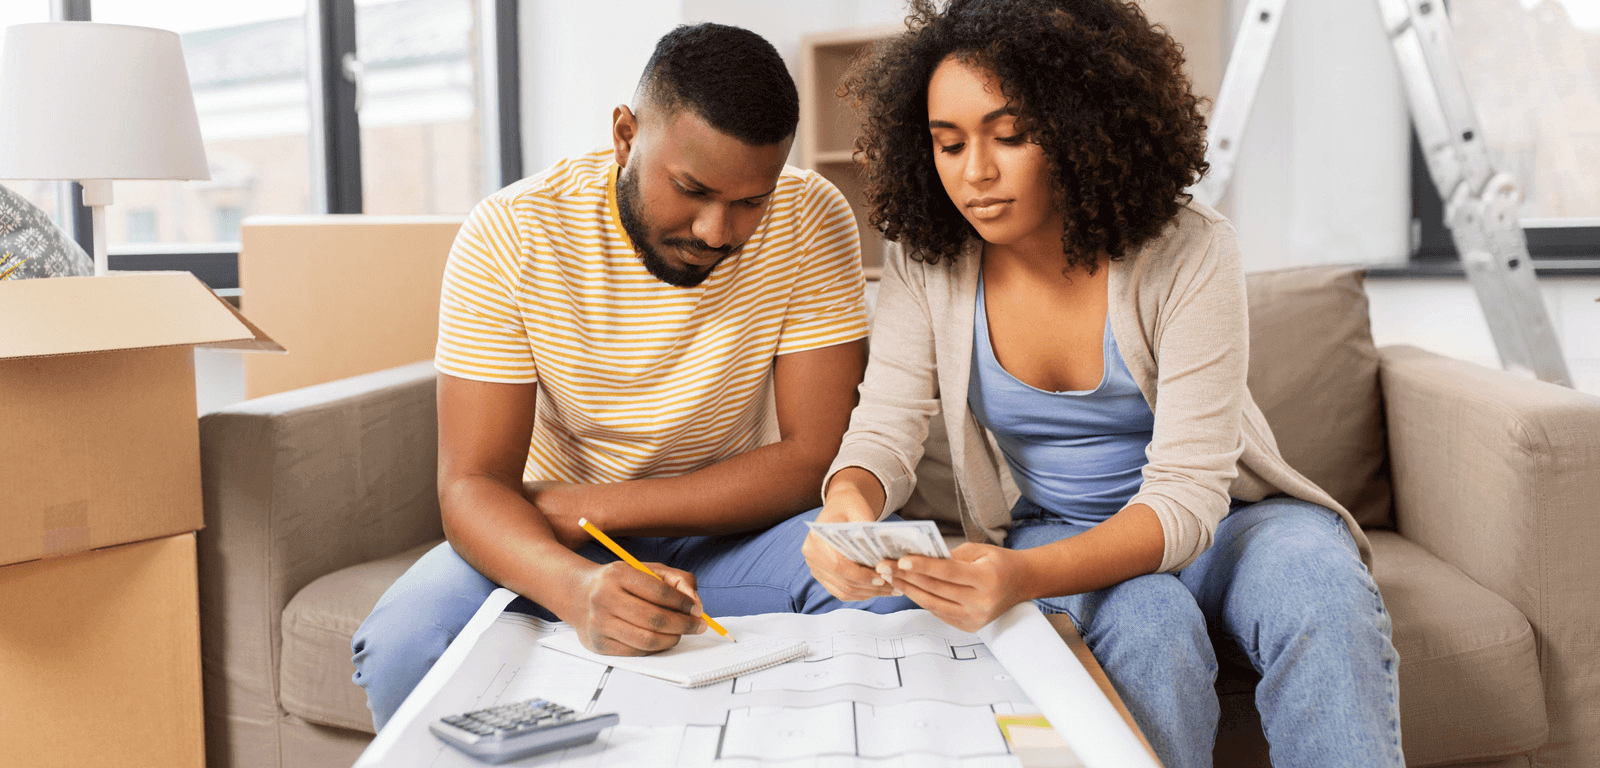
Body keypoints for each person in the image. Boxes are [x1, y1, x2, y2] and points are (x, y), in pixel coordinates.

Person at [801, 1, 1403, 766]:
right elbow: (885, 426)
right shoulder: (931, 261)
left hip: (1235, 522)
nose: (975, 172)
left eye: (1010, 135)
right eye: (948, 144)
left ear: (1081, 126)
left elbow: (1188, 500)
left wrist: (1022, 576)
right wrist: (845, 507)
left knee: (1323, 587)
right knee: (1150, 624)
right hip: (1064, 522)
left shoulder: (1189, 251)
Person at [352, 22, 912, 732]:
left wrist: (596, 507)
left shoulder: (810, 216)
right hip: (550, 537)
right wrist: (577, 584)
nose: (716, 230)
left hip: (726, 530)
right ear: (625, 135)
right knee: (406, 642)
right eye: (692, 189)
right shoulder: (511, 232)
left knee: (884, 591)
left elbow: (813, 458)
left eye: (749, 201)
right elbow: (470, 485)